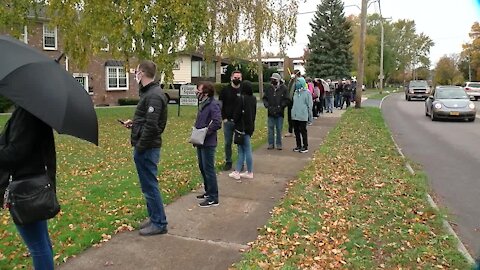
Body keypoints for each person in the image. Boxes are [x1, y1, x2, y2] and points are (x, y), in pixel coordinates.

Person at [0, 106, 57, 269]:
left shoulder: (26, 113)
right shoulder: (34, 111)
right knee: (41, 243)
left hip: (25, 189)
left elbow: (15, 154)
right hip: (33, 185)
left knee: (38, 247)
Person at [122, 60, 169, 236]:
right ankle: (154, 217)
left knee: (150, 186)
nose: (135, 75)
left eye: (136, 72)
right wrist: (133, 124)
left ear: (142, 73)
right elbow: (146, 121)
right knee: (147, 186)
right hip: (145, 146)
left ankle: (159, 223)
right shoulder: (148, 93)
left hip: (147, 148)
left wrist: (140, 147)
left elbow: (153, 127)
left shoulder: (154, 95)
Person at [193, 82, 222, 207]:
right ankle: (207, 191)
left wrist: (205, 133)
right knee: (202, 167)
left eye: (199, 90)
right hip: (200, 142)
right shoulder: (203, 105)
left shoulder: (213, 105)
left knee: (209, 169)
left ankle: (213, 197)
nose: (196, 92)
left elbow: (217, 122)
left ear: (206, 93)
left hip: (208, 143)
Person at [229, 81, 257, 180]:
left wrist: (234, 121)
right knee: (245, 150)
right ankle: (243, 171)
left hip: (241, 127)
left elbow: (236, 114)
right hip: (249, 126)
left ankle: (245, 171)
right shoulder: (253, 99)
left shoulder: (241, 99)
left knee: (243, 150)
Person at [219, 70, 242, 171]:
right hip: (227, 121)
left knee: (240, 143)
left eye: (238, 78)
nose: (236, 79)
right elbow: (220, 105)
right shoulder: (225, 90)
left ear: (241, 79)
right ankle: (228, 162)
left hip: (239, 122)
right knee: (228, 143)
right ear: (231, 78)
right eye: (235, 77)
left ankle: (241, 162)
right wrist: (223, 118)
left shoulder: (242, 90)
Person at [262, 73, 288, 150]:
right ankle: (270, 144)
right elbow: (265, 98)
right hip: (270, 112)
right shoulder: (269, 88)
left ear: (279, 80)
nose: (273, 81)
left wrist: (281, 106)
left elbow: (287, 99)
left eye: (275, 80)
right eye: (272, 79)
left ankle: (279, 144)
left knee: (279, 129)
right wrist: (267, 106)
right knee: (270, 129)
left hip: (279, 113)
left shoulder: (284, 88)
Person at [291, 77, 312, 153]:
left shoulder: (307, 93)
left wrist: (310, 117)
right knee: (296, 132)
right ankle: (298, 145)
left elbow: (309, 105)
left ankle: (305, 146)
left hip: (303, 116)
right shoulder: (296, 92)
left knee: (303, 132)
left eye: (298, 82)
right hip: (295, 115)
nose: (297, 83)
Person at [285, 70, 301, 137]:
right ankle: (290, 131)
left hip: (296, 101)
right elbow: (288, 88)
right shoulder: (291, 81)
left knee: (296, 117)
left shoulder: (299, 81)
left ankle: (296, 131)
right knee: (290, 116)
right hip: (290, 101)